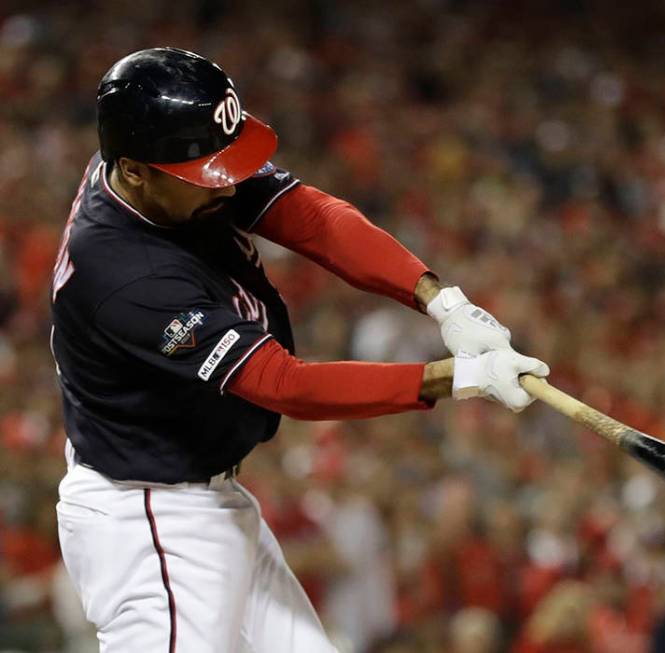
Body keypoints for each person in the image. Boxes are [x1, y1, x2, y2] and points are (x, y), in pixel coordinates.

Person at [49, 47, 549, 652]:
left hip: (208, 498)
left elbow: (309, 216)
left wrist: (441, 301)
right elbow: (284, 385)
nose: (227, 180)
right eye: (206, 170)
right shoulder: (124, 275)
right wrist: (455, 378)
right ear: (134, 171)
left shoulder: (160, 170)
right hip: (151, 522)